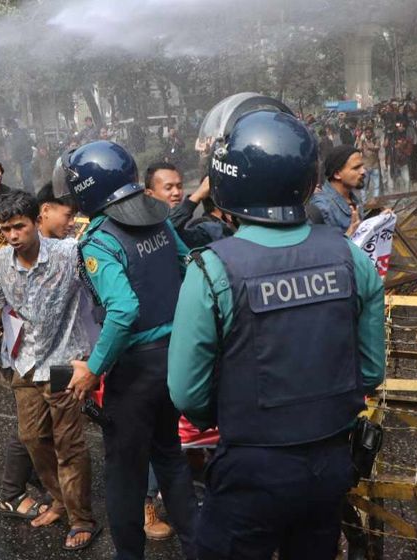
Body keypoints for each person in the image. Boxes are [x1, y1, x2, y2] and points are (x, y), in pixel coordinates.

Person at [167, 96, 386, 560]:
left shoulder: (209, 270)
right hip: (331, 463)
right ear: (308, 180)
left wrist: (224, 415)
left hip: (251, 467)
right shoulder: (351, 256)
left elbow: (188, 394)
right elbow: (370, 371)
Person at [58, 140, 199, 560]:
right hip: (175, 358)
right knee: (170, 456)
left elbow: (123, 310)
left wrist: (94, 369)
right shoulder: (158, 218)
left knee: (124, 474)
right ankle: (197, 547)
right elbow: (187, 264)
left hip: (135, 371)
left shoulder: (99, 240)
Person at [0, 191, 100, 551]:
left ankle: (82, 518)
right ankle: (60, 499)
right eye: (5, 229)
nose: (12, 235)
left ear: (37, 221)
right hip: (25, 363)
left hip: (66, 361)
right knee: (34, 439)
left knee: (69, 444)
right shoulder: (0, 263)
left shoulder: (70, 253)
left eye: (19, 226)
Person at [312, 145, 365, 236]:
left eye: (362, 166)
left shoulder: (353, 199)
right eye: (356, 168)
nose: (363, 171)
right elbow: (318, 248)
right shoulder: (322, 208)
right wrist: (348, 236)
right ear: (337, 174)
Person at [357, 126, 382, 198]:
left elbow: (377, 148)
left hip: (375, 166)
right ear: (365, 133)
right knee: (364, 186)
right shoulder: (362, 141)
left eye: (369, 133)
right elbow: (358, 149)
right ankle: (364, 202)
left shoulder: (376, 140)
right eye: (366, 133)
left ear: (372, 133)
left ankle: (375, 201)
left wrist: (369, 147)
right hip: (365, 167)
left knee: (376, 186)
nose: (368, 134)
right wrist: (360, 144)